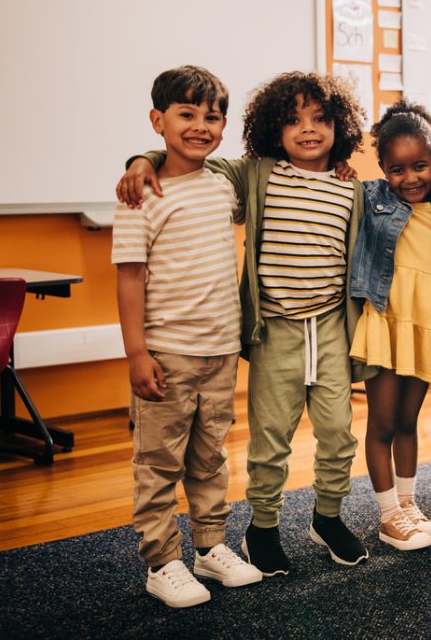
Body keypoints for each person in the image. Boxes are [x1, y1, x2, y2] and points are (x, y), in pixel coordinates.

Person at [117, 72, 375, 576]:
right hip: (275, 329)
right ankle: (262, 528)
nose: (307, 130)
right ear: (271, 130)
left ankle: (328, 517)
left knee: (339, 434)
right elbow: (192, 161)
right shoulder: (256, 175)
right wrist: (140, 159)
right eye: (293, 120)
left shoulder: (352, 188)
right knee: (270, 437)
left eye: (321, 120)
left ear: (339, 127)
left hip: (329, 330)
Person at [113, 66, 262, 608]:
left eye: (212, 116)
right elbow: (129, 277)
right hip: (167, 354)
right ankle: (162, 562)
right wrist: (136, 352)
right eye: (186, 114)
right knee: (158, 462)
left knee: (210, 457)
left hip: (221, 352)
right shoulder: (141, 195)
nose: (201, 126)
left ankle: (208, 547)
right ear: (158, 121)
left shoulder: (224, 183)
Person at [349, 100, 431, 551]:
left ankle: (409, 505)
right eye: (397, 169)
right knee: (383, 423)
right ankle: (388, 516)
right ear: (382, 168)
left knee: (410, 422)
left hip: (424, 324)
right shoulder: (373, 198)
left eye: (420, 166)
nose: (410, 178)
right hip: (388, 323)